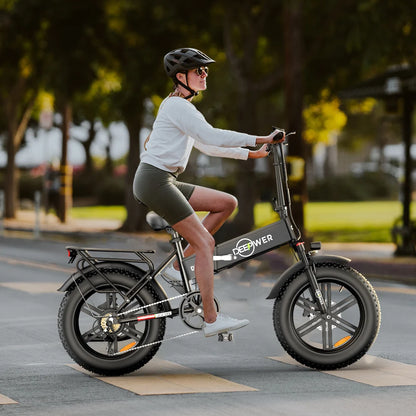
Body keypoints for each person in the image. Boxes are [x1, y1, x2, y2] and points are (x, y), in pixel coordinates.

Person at [133, 47, 284, 337]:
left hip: (163, 179)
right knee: (205, 244)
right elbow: (211, 135)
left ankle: (177, 267)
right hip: (156, 181)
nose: (204, 75)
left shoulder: (180, 106)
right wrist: (260, 138)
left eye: (206, 71)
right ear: (181, 77)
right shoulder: (178, 106)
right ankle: (212, 320)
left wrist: (251, 154)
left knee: (226, 203)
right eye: (198, 71)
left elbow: (206, 144)